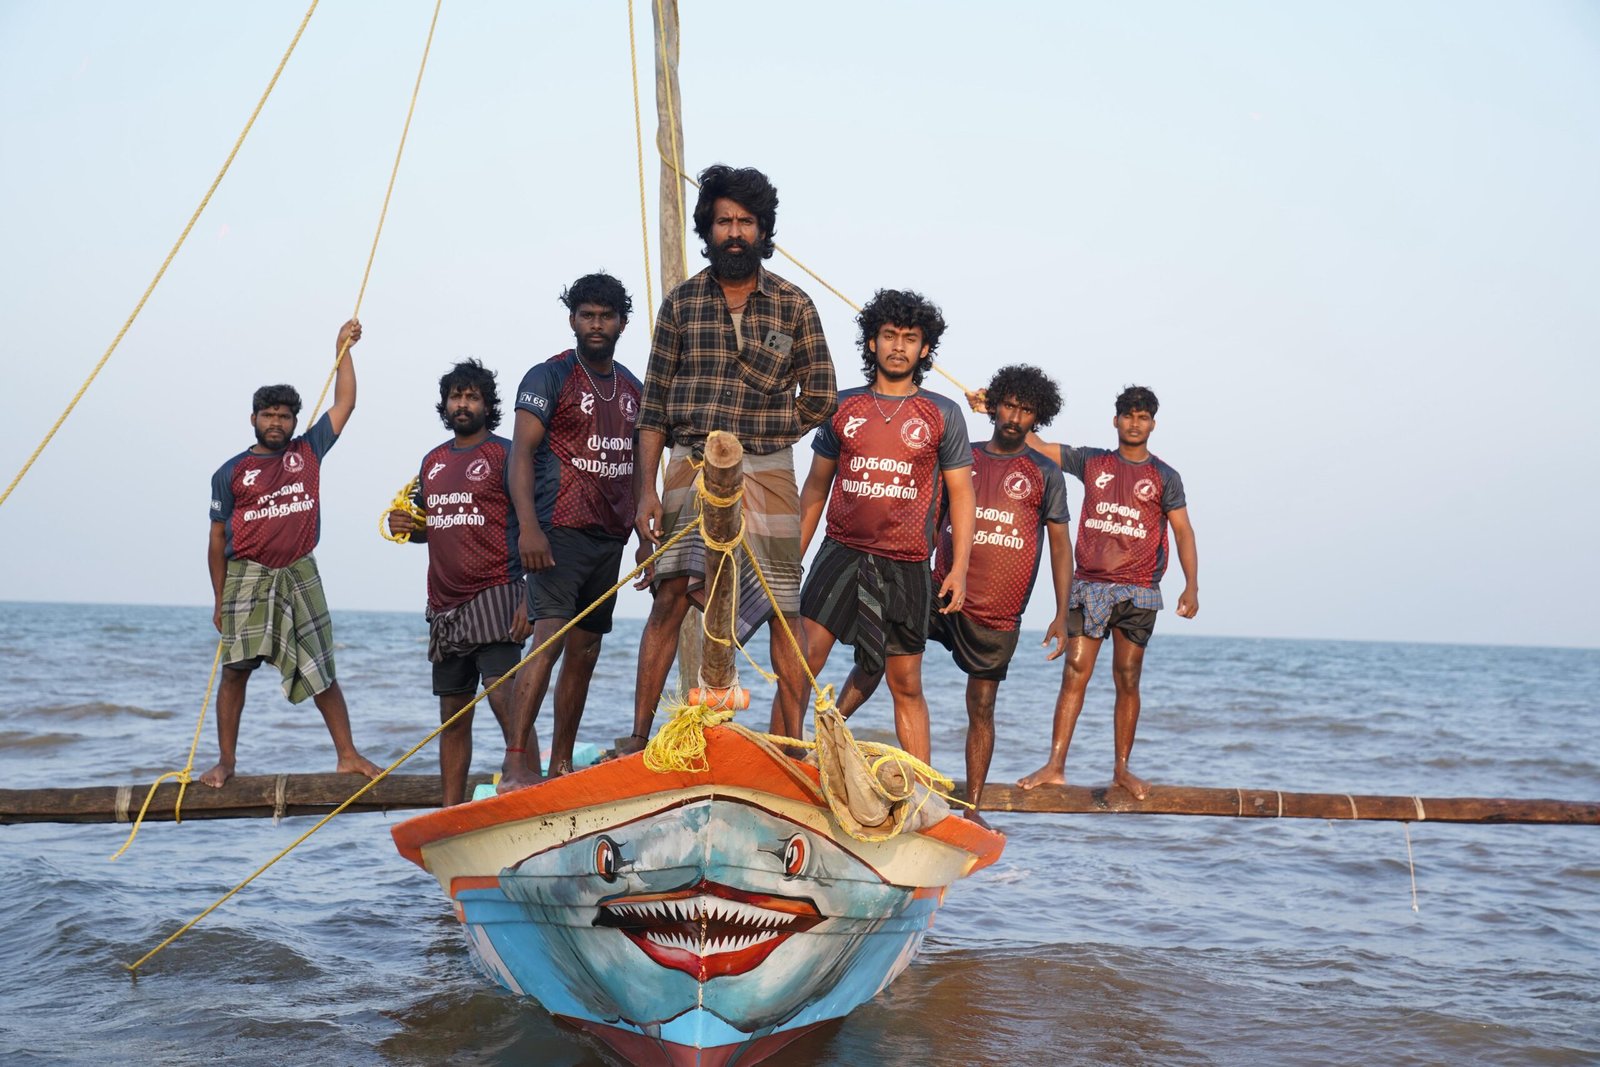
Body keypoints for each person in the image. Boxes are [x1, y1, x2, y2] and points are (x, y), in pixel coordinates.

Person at [629, 165, 837, 751]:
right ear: (708, 229)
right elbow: (652, 410)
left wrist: (762, 432)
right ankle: (641, 735)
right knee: (670, 593)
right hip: (689, 463)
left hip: (769, 469)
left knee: (781, 604)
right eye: (724, 221)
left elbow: (819, 397)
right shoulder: (682, 304)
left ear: (763, 229)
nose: (736, 232)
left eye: (746, 222)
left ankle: (791, 744)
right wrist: (645, 492)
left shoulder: (794, 306)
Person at [787, 288, 974, 763]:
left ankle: (923, 791)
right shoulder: (841, 406)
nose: (898, 346)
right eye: (888, 336)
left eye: (909, 339)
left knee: (904, 681)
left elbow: (962, 495)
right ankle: (784, 762)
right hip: (841, 552)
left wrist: (959, 569)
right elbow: (815, 488)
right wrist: (792, 559)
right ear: (872, 343)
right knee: (802, 663)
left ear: (924, 349)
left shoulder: (943, 413)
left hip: (908, 561)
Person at [990, 384, 1200, 799]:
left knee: (1128, 677)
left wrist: (1192, 586)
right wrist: (995, 413)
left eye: (1143, 417)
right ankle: (1055, 765)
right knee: (1074, 673)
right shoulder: (1093, 461)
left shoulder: (1165, 476)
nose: (1134, 423)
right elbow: (1041, 446)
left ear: (1153, 424)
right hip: (1090, 587)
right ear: (1116, 420)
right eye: (1128, 415)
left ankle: (1122, 769)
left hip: (1139, 591)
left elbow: (1183, 532)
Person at [202, 319, 382, 788]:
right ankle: (226, 762)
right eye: (269, 415)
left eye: (284, 416)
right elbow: (217, 541)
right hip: (247, 575)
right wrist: (220, 600)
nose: (276, 423)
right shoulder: (231, 472)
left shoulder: (309, 451)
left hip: (301, 571)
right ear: (254, 419)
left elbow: (346, 403)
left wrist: (341, 351)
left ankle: (347, 755)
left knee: (322, 668)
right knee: (236, 671)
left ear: (294, 422)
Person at [499, 272, 644, 790]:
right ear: (573, 320)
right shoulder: (549, 376)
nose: (596, 324)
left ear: (622, 322)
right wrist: (529, 530)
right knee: (549, 640)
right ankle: (516, 763)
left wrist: (646, 536)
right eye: (587, 315)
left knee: (585, 651)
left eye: (606, 316)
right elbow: (520, 455)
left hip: (610, 537)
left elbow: (641, 462)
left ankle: (560, 765)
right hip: (557, 530)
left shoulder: (632, 387)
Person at [929, 364, 1072, 826]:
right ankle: (820, 743)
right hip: (939, 589)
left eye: (1026, 410)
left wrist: (1061, 612)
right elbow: (931, 518)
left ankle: (973, 809)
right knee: (882, 663)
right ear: (995, 406)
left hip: (997, 611)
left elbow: (1059, 544)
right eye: (1009, 405)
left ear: (1038, 417)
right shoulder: (961, 455)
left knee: (982, 707)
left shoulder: (1045, 474)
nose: (1015, 416)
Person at [387, 359, 533, 806]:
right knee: (453, 714)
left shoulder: (507, 454)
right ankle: (450, 808)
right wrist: (409, 527)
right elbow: (439, 525)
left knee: (504, 697)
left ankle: (530, 783)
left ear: (488, 405)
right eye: (456, 396)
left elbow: (536, 523)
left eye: (472, 397)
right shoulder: (431, 462)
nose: (462, 404)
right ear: (445, 405)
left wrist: (532, 599)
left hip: (497, 591)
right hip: (443, 605)